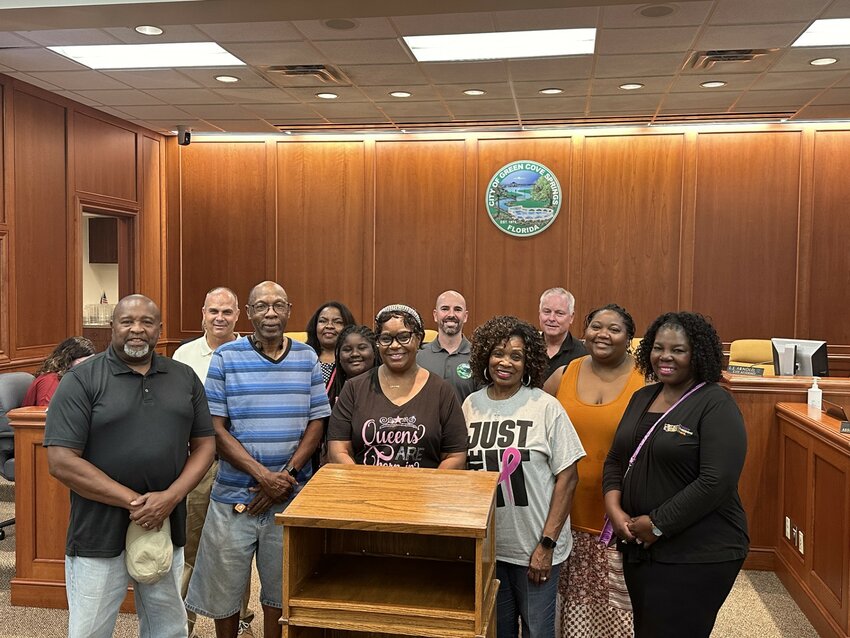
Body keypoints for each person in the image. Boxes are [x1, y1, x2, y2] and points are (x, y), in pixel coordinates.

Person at [44, 295, 216, 638]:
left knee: (167, 626)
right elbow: (61, 461)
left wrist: (170, 497)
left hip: (165, 522)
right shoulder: (81, 380)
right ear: (112, 327)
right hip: (97, 527)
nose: (137, 329)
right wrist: (135, 503)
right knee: (90, 629)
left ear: (159, 329)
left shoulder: (184, 378)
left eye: (147, 322)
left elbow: (205, 445)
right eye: (127, 322)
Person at [185, 281, 331, 638]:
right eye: (261, 306)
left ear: (289, 310)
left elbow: (317, 421)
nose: (270, 313)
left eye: (278, 305)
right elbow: (214, 428)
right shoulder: (226, 357)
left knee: (281, 589)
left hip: (291, 494)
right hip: (234, 494)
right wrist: (263, 476)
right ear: (248, 313)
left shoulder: (306, 357)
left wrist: (286, 475)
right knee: (226, 591)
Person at [602, 312, 749, 638]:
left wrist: (657, 523)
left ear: (697, 353)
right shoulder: (642, 397)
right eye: (658, 348)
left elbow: (717, 482)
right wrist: (614, 510)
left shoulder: (715, 403)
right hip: (640, 547)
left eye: (678, 350)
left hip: (698, 552)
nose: (665, 356)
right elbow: (616, 458)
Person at [463, 315, 585, 638]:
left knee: (537, 632)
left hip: (535, 550)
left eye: (516, 356)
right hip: (490, 551)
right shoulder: (470, 406)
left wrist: (546, 544)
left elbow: (568, 478)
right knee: (497, 631)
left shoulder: (545, 407)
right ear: (485, 357)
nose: (505, 362)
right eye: (498, 353)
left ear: (527, 360)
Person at [544, 304, 645, 637]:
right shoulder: (564, 373)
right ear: (584, 332)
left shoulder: (647, 380)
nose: (603, 334)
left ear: (629, 337)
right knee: (565, 602)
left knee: (616, 609)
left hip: (620, 516)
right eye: (596, 327)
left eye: (614, 329)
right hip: (565, 512)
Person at [172, 287, 255, 638]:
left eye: (227, 312)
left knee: (237, 549)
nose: (219, 318)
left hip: (242, 465)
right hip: (197, 464)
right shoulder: (184, 354)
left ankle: (241, 620)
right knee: (190, 545)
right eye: (213, 311)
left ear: (238, 316)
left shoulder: (250, 352)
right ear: (202, 314)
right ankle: (182, 625)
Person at [327, 303, 467, 469]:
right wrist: (363, 486)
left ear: (419, 338)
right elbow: (338, 451)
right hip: (366, 491)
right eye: (386, 339)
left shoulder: (442, 391)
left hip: (425, 492)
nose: (394, 345)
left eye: (403, 337)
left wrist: (429, 491)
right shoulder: (353, 389)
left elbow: (455, 455)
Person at [417, 290, 477, 402]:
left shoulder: (477, 357)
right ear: (435, 315)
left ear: (465, 316)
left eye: (457, 309)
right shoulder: (418, 356)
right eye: (445, 309)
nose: (451, 315)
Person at [22, 336, 95, 406]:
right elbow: (46, 415)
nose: (88, 367)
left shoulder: (76, 380)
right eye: (83, 363)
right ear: (68, 361)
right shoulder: (50, 381)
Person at [327, 324, 381, 406]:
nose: (354, 354)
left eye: (362, 348)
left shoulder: (387, 387)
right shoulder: (332, 391)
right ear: (339, 356)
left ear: (374, 352)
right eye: (347, 350)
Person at [305, 300, 356, 387]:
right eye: (323, 321)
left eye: (337, 322)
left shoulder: (355, 359)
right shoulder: (303, 356)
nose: (329, 326)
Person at [539, 288, 587, 378]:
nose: (551, 318)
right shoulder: (527, 348)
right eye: (547, 312)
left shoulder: (584, 355)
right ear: (539, 314)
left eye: (559, 313)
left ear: (571, 317)